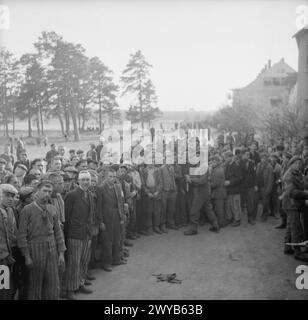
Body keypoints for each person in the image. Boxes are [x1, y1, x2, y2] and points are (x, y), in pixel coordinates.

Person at [17, 180, 66, 300]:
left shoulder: (52, 209)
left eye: (50, 191)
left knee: (53, 280)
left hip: (51, 246)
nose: (47, 194)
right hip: (34, 247)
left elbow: (58, 232)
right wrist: (27, 256)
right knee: (35, 281)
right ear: (37, 192)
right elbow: (22, 236)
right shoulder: (27, 210)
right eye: (44, 191)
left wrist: (61, 253)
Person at [63, 171, 97, 300]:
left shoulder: (89, 194)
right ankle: (70, 289)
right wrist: (67, 236)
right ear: (78, 181)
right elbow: (66, 217)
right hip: (74, 235)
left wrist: (91, 229)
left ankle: (80, 283)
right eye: (83, 180)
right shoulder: (71, 195)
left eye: (87, 180)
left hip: (86, 234)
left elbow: (91, 214)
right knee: (74, 263)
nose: (86, 182)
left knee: (84, 261)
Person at [97, 169, 124, 272]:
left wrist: (121, 217)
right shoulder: (101, 189)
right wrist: (101, 221)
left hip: (116, 216)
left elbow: (120, 203)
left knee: (117, 238)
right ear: (105, 177)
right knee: (107, 241)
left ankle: (116, 259)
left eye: (114, 177)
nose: (112, 179)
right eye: (110, 177)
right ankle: (106, 263)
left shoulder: (117, 187)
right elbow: (98, 207)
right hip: (106, 218)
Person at [0, 184, 19, 300]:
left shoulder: (10, 211)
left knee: (6, 286)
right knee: (3, 286)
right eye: (7, 196)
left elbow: (12, 234)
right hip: (2, 256)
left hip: (8, 253)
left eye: (12, 196)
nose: (10, 199)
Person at [224, 151, 243, 226]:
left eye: (225, 157)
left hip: (235, 190)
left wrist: (230, 182)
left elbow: (240, 178)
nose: (224, 159)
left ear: (230, 157)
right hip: (229, 189)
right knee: (229, 205)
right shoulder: (229, 165)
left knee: (235, 205)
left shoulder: (235, 165)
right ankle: (230, 218)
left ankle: (237, 219)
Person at [256, 152, 274, 222]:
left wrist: (268, 190)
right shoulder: (258, 165)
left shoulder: (270, 167)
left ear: (267, 159)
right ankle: (262, 214)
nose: (263, 160)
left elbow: (270, 180)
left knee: (265, 202)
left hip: (265, 187)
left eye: (265, 158)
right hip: (259, 186)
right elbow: (257, 175)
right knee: (259, 202)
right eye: (262, 158)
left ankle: (265, 215)